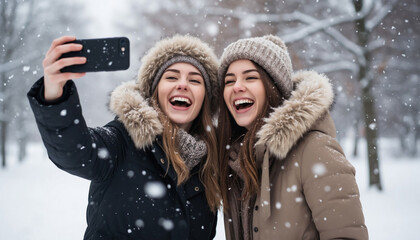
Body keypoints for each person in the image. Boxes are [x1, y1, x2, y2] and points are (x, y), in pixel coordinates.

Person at [27, 35, 221, 239]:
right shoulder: (122, 140)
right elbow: (75, 153)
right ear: (154, 91)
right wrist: (54, 93)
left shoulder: (210, 162)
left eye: (194, 80)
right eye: (171, 77)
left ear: (206, 98)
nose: (183, 84)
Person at [217, 35, 368, 240]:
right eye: (229, 80)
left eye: (250, 77)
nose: (236, 87)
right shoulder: (235, 159)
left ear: (274, 86)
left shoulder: (315, 150)